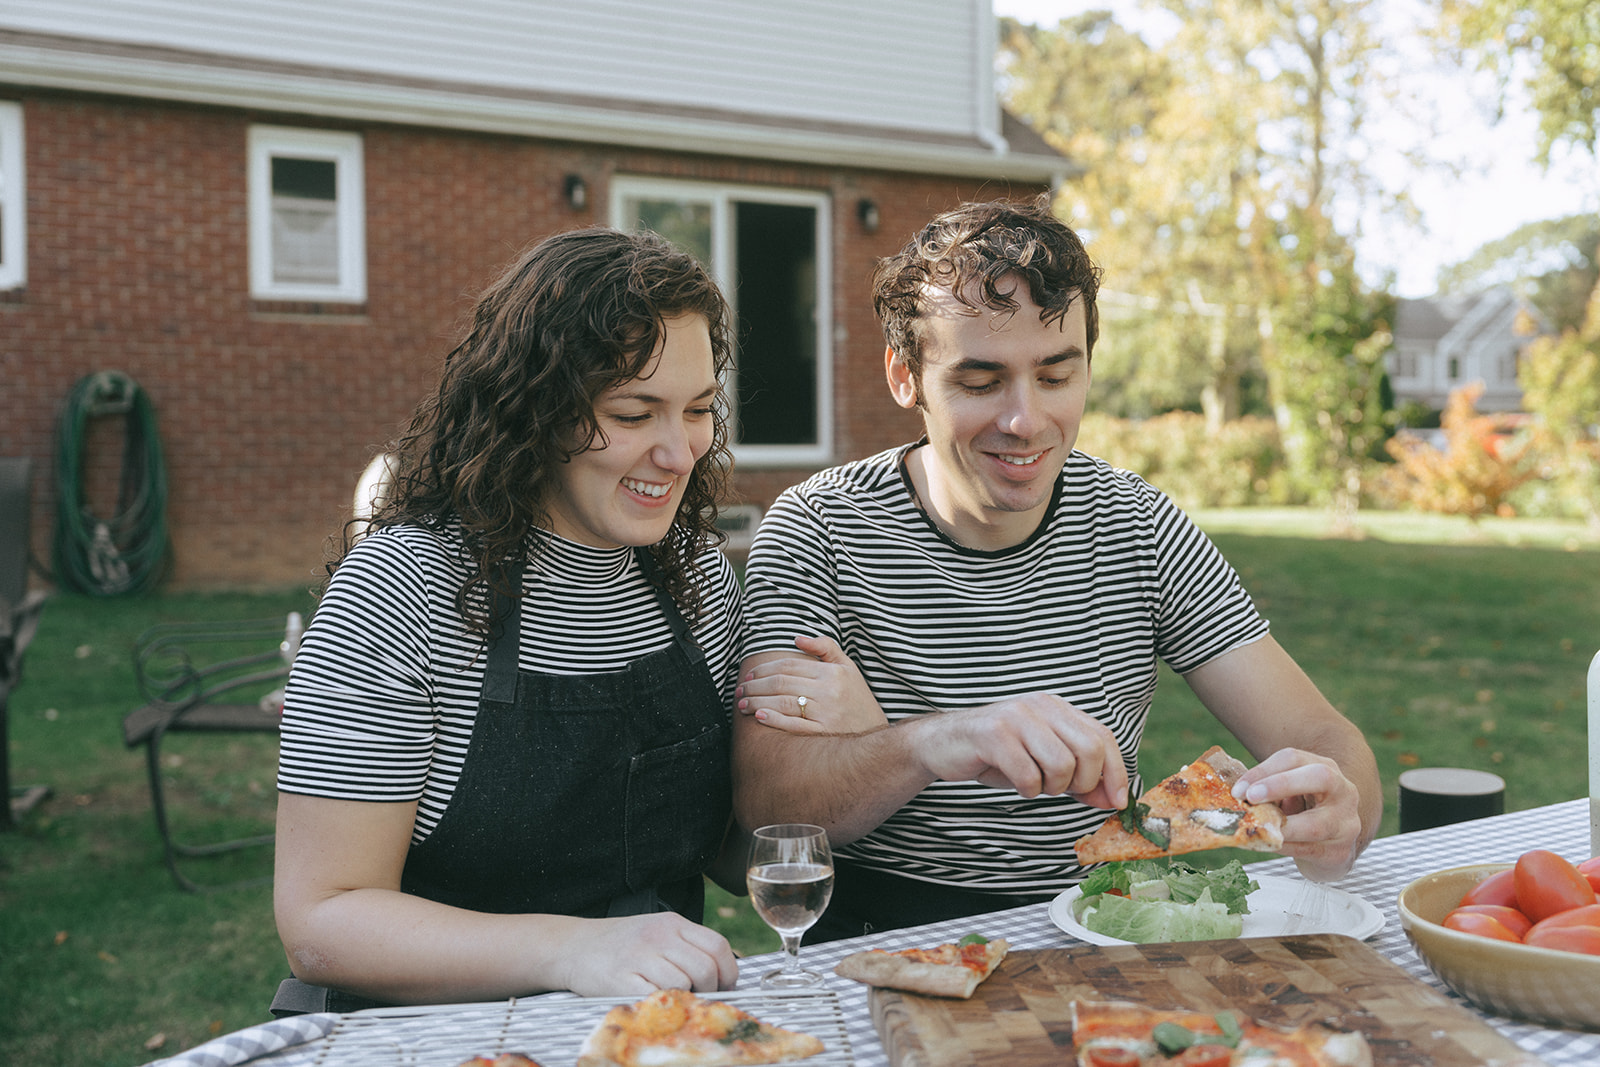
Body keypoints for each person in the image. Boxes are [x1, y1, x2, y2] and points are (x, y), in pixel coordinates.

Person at [731, 195, 1382, 942]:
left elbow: (1328, 739)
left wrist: (1335, 804)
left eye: (1055, 375)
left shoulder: (1138, 524)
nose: (1025, 420)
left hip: (1103, 925)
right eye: (981, 380)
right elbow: (767, 804)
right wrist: (936, 741)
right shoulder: (819, 529)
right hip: (884, 935)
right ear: (904, 377)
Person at [272, 227, 745, 1011]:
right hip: (433, 1040)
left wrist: (846, 743)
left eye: (697, 409)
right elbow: (322, 919)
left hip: (648, 1038)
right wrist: (574, 947)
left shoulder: (696, 581)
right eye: (633, 412)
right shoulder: (403, 593)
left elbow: (737, 856)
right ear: (536, 411)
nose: (678, 450)